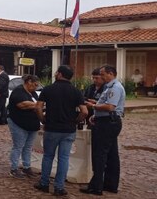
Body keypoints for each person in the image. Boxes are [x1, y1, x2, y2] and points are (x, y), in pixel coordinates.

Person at [34, 65, 88, 196]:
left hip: (52, 128)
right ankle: (59, 187)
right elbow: (84, 111)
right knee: (64, 158)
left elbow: (38, 108)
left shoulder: (48, 89)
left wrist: (43, 119)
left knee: (48, 156)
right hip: (68, 129)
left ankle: (44, 183)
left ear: (59, 74)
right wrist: (76, 121)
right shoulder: (76, 91)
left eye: (56, 72)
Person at [80, 65, 125, 195]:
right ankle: (110, 184)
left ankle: (96, 186)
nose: (101, 77)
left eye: (103, 74)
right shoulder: (109, 87)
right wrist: (96, 114)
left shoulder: (114, 87)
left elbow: (110, 107)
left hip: (107, 124)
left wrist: (93, 106)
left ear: (110, 74)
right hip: (107, 121)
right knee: (111, 154)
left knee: (99, 154)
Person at [7, 74, 40, 178]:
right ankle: (14, 168)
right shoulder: (18, 91)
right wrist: (37, 105)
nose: (36, 87)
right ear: (29, 82)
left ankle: (27, 166)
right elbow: (22, 104)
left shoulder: (33, 93)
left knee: (28, 146)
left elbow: (35, 104)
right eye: (35, 84)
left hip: (31, 123)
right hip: (18, 122)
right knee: (18, 145)